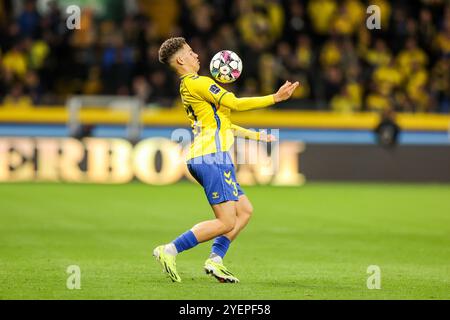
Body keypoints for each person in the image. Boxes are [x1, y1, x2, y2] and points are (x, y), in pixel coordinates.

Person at [153, 37, 299, 283]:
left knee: (244, 211)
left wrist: (255, 136)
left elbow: (224, 124)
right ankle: (169, 250)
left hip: (210, 156)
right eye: (190, 52)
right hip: (210, 157)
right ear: (180, 59)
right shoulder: (198, 83)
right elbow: (234, 103)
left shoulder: (186, 87)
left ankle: (215, 260)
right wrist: (274, 98)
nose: (196, 55)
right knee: (226, 221)